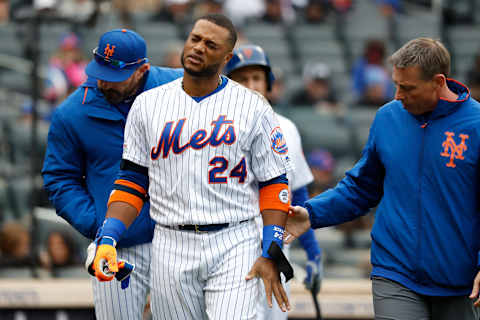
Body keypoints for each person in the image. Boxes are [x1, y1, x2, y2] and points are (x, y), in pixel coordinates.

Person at [89, 13, 292, 319]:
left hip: (234, 238)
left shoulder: (252, 106)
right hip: (171, 240)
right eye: (195, 39)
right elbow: (131, 180)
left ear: (226, 57)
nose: (198, 48)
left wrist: (270, 249)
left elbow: (275, 183)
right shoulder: (148, 105)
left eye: (210, 45)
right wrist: (109, 236)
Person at [286, 37, 480, 319]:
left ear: (438, 82)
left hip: (461, 283)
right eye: (396, 84)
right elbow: (360, 188)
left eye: (407, 87)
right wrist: (312, 214)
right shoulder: (388, 118)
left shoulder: (475, 125)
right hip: (395, 272)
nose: (397, 95)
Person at [42, 29, 183, 320]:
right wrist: (98, 224)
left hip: (180, 239)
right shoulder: (72, 113)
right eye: (100, 71)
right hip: (117, 246)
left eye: (114, 75)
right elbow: (60, 179)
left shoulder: (179, 89)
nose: (104, 81)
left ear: (142, 69)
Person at [223, 43, 322, 320]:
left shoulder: (287, 129)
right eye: (242, 79)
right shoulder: (215, 129)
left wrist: (313, 253)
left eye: (257, 78)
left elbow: (298, 196)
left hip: (276, 250)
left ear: (269, 84)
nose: (251, 85)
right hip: (229, 251)